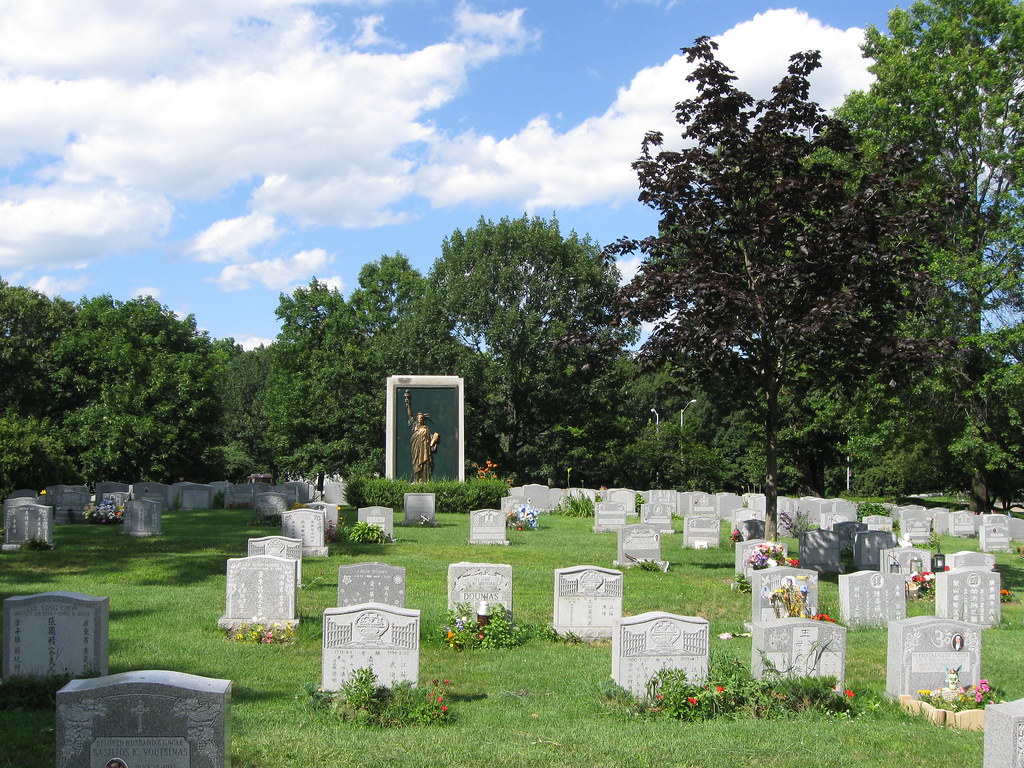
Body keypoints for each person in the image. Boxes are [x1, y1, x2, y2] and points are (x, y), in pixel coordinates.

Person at [404, 390, 439, 483]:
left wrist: (434, 439)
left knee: (425, 463)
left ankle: (423, 480)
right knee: (416, 463)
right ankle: (416, 480)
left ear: (423, 419)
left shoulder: (426, 429)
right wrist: (408, 404)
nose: (420, 419)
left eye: (421, 418)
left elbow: (431, 441)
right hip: (416, 449)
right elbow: (410, 415)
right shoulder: (414, 426)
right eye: (418, 418)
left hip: (424, 451)